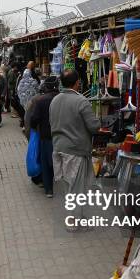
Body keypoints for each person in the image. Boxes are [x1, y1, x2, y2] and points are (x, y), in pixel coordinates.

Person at [49, 69, 105, 231]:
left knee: (69, 185)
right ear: (77, 83)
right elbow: (94, 126)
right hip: (75, 150)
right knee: (77, 188)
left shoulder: (55, 100)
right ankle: (74, 222)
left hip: (59, 148)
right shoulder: (81, 101)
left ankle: (77, 217)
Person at [29, 76, 60, 197]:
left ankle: (49, 189)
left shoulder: (41, 100)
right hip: (63, 135)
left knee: (46, 162)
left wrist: (33, 128)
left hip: (47, 135)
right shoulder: (62, 98)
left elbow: (34, 119)